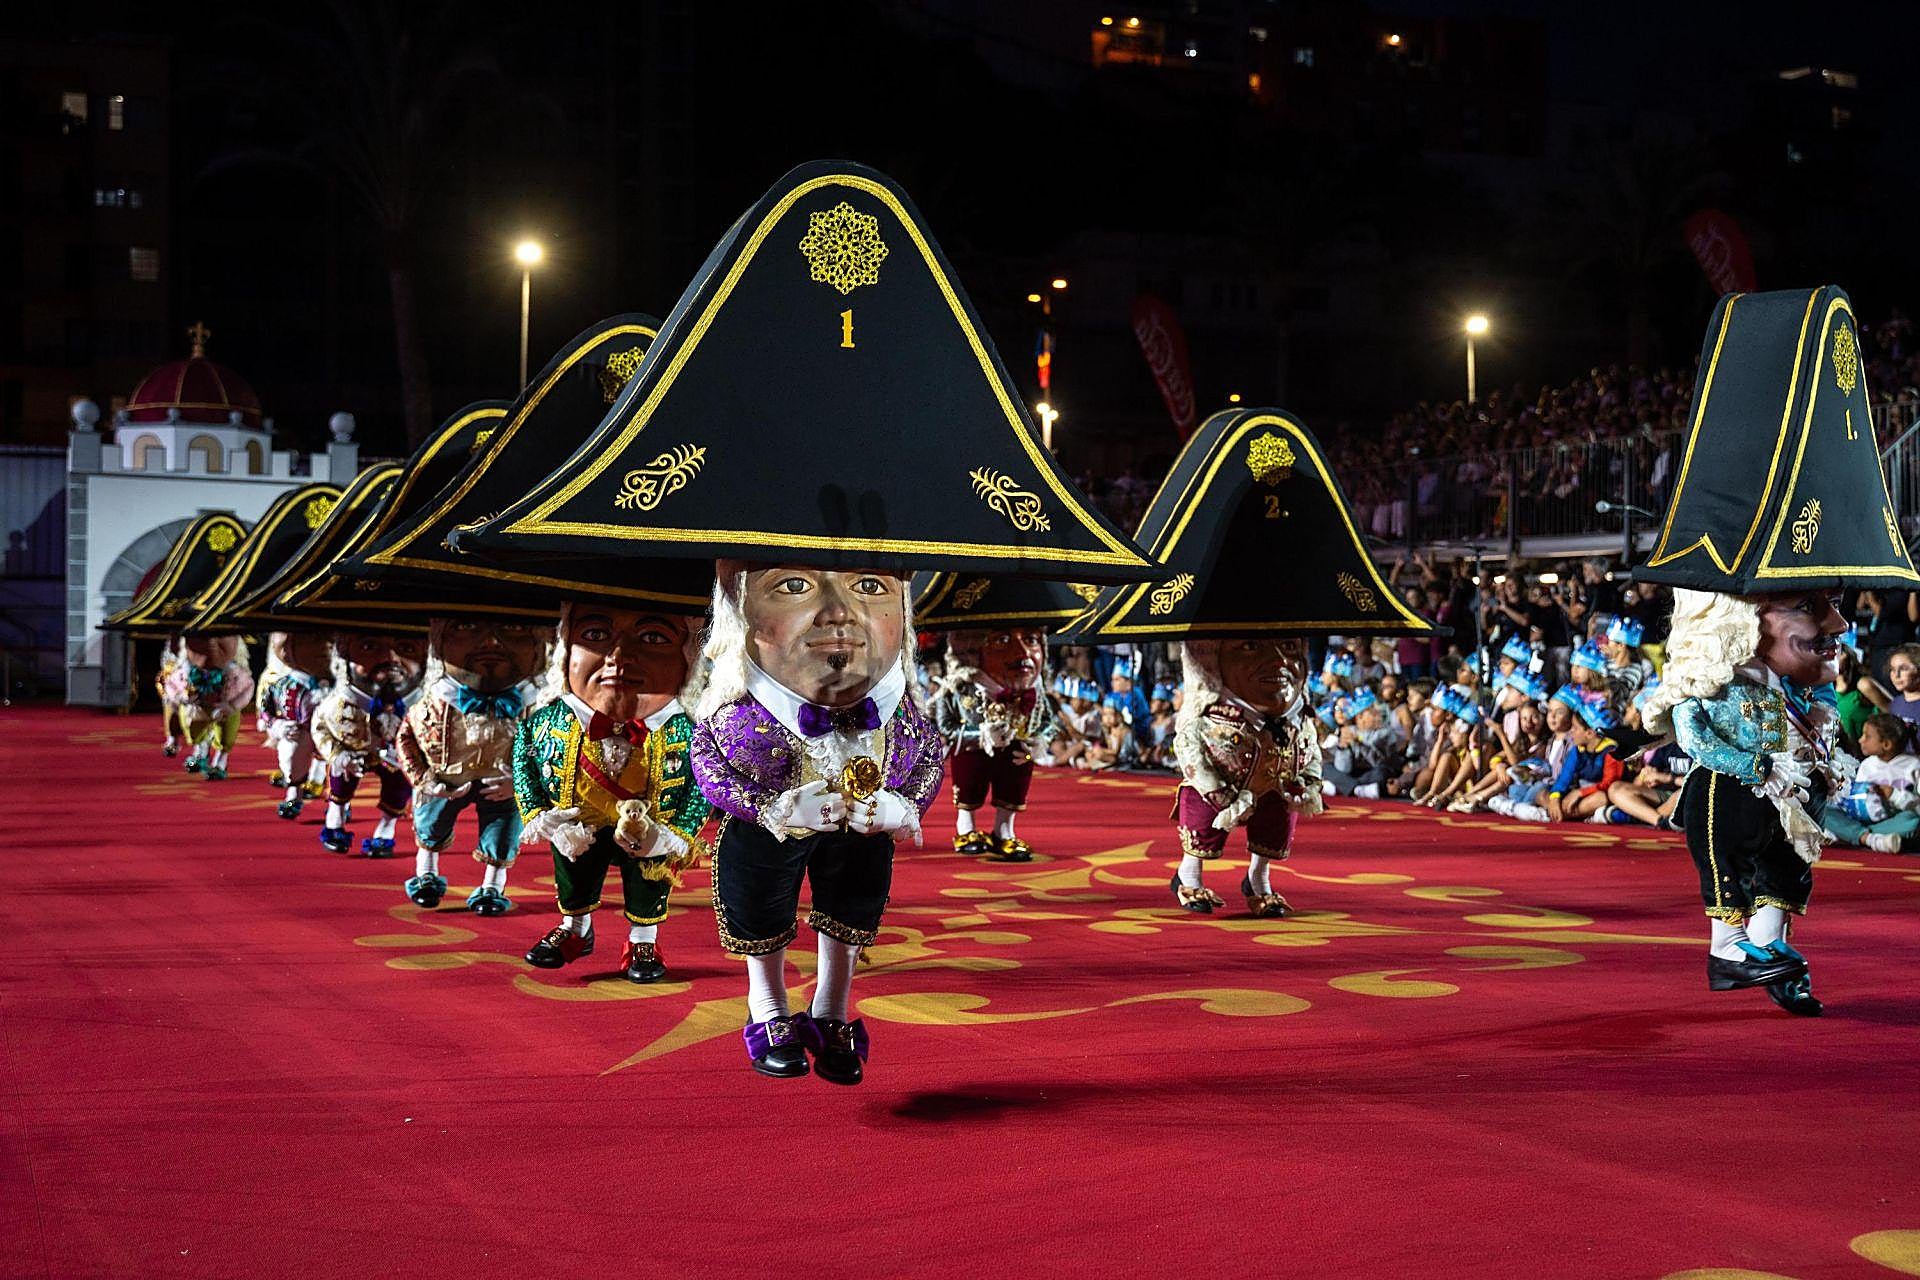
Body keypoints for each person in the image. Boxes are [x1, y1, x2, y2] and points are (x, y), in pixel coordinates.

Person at [694, 564, 944, 1082]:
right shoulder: (739, 711)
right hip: (771, 834)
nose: (838, 613)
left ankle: (831, 1007)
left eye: (871, 587)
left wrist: (903, 807)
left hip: (862, 832)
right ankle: (767, 1004)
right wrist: (772, 808)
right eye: (793, 586)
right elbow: (709, 763)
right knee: (758, 902)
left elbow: (929, 759)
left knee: (855, 902)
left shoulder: (899, 712)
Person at [516, 605, 710, 982]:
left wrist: (674, 835)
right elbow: (524, 761)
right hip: (579, 822)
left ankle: (643, 940)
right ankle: (575, 928)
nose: (618, 657)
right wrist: (539, 815)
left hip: (647, 827)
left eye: (652, 638)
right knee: (574, 873)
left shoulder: (689, 732)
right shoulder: (545, 720)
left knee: (650, 877)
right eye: (594, 636)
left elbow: (699, 789)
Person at [396, 618, 547, 914]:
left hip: (503, 783)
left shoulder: (536, 707)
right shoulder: (435, 701)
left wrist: (520, 783)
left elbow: (547, 753)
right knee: (431, 825)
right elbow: (406, 739)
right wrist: (426, 780)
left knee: (503, 835)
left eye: (514, 629)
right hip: (447, 779)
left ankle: (492, 886)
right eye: (467, 628)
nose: (490, 643)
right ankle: (426, 873)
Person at [1171, 639, 1321, 917]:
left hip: (1275, 785)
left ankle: (1258, 879)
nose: (1279, 661)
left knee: (1276, 821)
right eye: (1252, 647)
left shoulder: (1297, 718)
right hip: (1221, 788)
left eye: (1289, 648)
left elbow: (1311, 751)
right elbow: (1187, 749)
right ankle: (1188, 874)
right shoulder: (1212, 717)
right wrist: (1218, 793)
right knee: (1204, 822)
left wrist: (1310, 783)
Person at [930, 626, 1057, 861]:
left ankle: (1004, 830)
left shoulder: (1035, 691)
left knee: (1015, 781)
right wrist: (981, 736)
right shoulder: (959, 686)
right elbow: (945, 727)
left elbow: (1049, 722)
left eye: (1031, 640)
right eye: (1002, 640)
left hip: (1017, 750)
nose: (1022, 653)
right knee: (970, 776)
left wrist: (1040, 740)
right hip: (974, 750)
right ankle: (966, 827)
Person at [311, 632, 425, 855]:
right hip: (354, 753)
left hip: (397, 758)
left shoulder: (422, 705)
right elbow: (320, 729)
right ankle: (335, 817)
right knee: (341, 777)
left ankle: (385, 829)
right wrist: (337, 755)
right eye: (370, 646)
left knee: (400, 785)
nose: (390, 658)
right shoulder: (339, 703)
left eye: (406, 649)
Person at [257, 632, 332, 819]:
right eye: (315, 641)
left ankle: (338, 802)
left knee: (339, 765)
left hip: (331, 733)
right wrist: (277, 725)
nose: (326, 647)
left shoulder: (338, 685)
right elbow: (266, 710)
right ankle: (294, 793)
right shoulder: (282, 685)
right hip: (299, 732)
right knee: (293, 760)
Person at [1821, 712, 1920, 853]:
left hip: (1893, 820)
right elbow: (1856, 799)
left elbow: (1917, 808)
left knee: (1913, 821)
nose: (1861, 740)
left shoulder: (1913, 766)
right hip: (1863, 819)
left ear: (1886, 744)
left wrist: (1893, 795)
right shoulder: (1867, 765)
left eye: (1867, 736)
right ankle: (1871, 839)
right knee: (1824, 810)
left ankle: (1855, 835)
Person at [164, 635, 255, 781]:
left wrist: (232, 705)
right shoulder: (185, 671)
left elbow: (248, 687)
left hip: (224, 708)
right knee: (193, 727)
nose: (212, 642)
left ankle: (221, 759)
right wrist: (181, 697)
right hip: (196, 707)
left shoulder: (235, 674)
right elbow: (171, 685)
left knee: (226, 732)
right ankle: (200, 749)